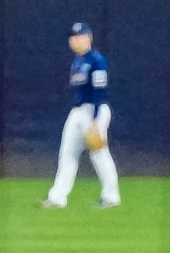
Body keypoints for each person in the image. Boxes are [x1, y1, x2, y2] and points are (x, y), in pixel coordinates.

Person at [45, 21, 120, 210]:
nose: (75, 40)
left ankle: (111, 197)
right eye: (73, 37)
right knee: (67, 154)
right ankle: (57, 198)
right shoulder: (77, 61)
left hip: (95, 109)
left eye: (80, 36)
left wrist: (95, 120)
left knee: (99, 154)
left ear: (89, 38)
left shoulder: (96, 60)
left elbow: (99, 91)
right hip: (78, 111)